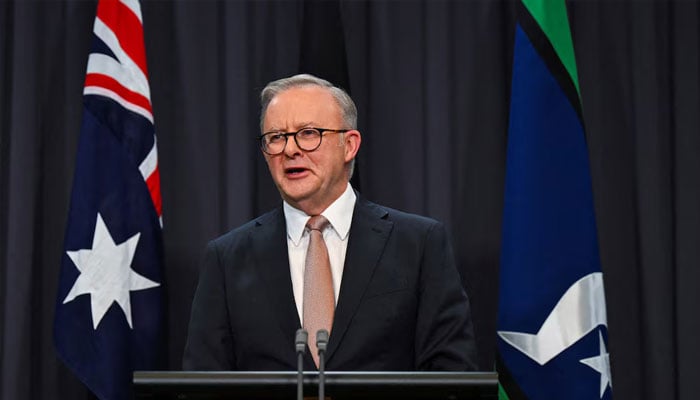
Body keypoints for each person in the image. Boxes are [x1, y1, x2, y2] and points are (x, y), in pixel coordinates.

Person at [183, 74, 478, 371]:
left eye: (308, 133)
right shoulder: (227, 258)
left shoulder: (419, 245)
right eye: (276, 137)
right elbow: (203, 382)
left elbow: (452, 373)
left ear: (349, 145)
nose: (290, 150)